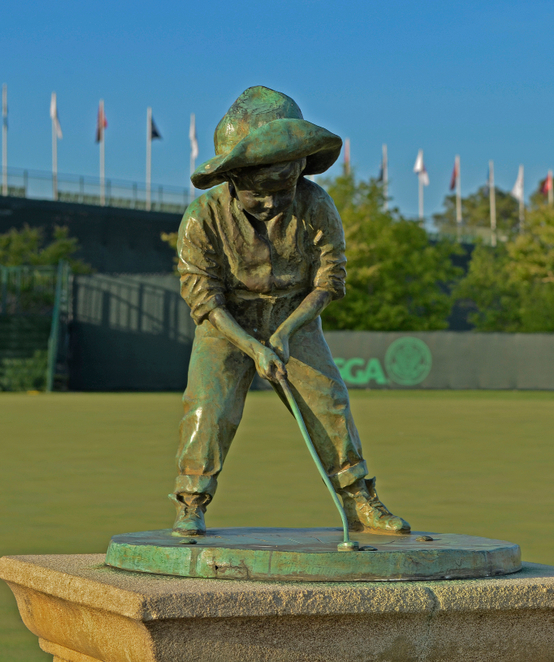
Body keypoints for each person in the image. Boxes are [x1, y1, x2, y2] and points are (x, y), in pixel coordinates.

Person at [170, 86, 409, 537]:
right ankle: (191, 503)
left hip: (294, 317)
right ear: (233, 179)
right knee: (208, 407)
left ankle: (359, 502)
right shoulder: (202, 218)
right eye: (257, 193)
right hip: (226, 323)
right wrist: (250, 346)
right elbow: (203, 298)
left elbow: (329, 281)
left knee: (329, 403)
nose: (271, 203)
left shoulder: (316, 204)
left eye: (283, 189)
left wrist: (284, 332)